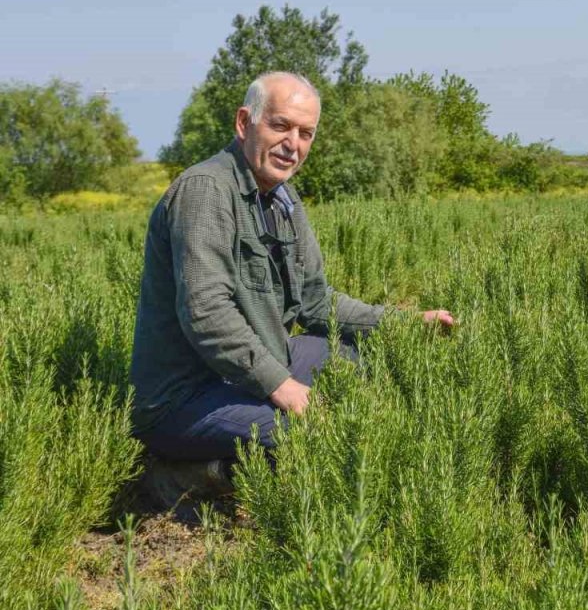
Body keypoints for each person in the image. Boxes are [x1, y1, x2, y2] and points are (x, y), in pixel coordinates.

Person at [131, 72, 454, 500]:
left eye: (306, 133)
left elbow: (316, 302)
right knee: (309, 436)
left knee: (353, 360)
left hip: (249, 370)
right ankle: (178, 477)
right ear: (245, 123)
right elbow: (206, 311)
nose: (293, 144)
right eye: (280, 126)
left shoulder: (283, 199)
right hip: (186, 396)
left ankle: (229, 455)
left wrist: (404, 321)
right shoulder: (205, 191)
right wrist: (282, 387)